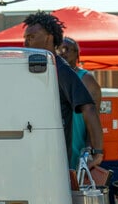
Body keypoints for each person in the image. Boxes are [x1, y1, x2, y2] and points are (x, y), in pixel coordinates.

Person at [23, 11, 104, 168]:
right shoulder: (35, 67)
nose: (26, 43)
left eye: (31, 37)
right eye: (25, 38)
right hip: (34, 155)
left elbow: (89, 108)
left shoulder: (60, 68)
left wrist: (98, 152)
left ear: (49, 37)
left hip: (56, 161)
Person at [58, 37, 102, 169]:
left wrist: (90, 147)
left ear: (77, 54)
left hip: (76, 140)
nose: (62, 53)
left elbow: (94, 116)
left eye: (66, 49)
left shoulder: (86, 78)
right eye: (59, 49)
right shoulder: (54, 74)